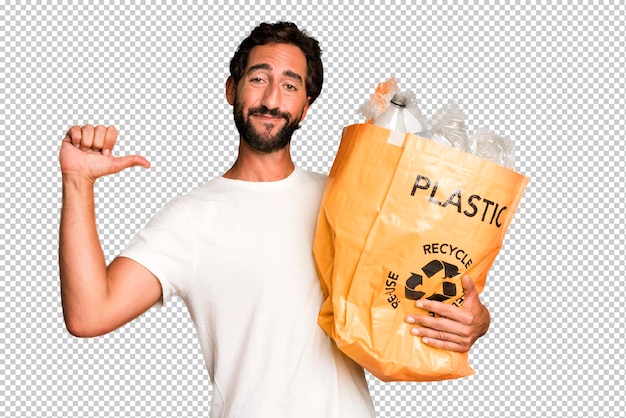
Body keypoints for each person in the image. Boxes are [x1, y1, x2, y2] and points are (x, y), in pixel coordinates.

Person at [58, 21, 490, 417]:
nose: (270, 100)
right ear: (232, 89)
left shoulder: (349, 199)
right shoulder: (191, 219)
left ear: (305, 106)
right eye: (258, 79)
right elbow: (89, 314)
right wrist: (77, 181)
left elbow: (408, 297)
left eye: (290, 85)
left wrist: (476, 321)